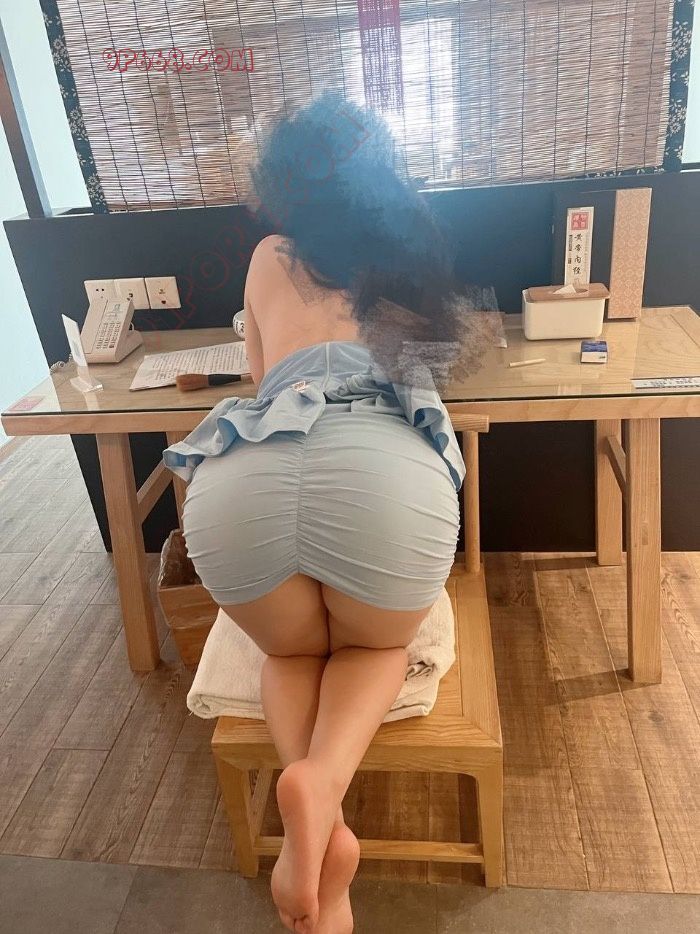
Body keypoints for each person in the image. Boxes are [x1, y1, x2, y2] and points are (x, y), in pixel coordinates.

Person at [164, 93, 472, 934]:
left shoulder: (270, 253)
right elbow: (433, 367)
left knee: (292, 650)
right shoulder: (408, 254)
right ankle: (321, 783)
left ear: (285, 181)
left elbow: (261, 375)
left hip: (244, 485)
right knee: (374, 646)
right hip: (380, 477)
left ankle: (323, 846)